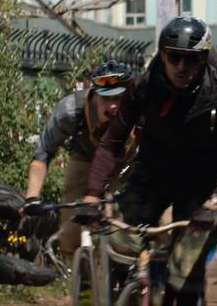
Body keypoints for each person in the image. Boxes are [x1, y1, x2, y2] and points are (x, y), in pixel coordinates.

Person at [75, 16, 217, 305]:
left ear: (203, 59)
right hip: (151, 177)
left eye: (190, 59)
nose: (181, 67)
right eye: (173, 58)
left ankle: (179, 291)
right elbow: (111, 144)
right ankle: (125, 289)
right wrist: (92, 195)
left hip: (200, 189)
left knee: (183, 279)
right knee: (119, 247)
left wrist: (216, 202)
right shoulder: (142, 87)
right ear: (162, 55)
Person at [19, 60, 133, 255]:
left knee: (126, 228)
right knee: (71, 227)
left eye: (119, 98)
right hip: (86, 157)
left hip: (127, 162)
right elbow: (43, 153)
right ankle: (83, 278)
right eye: (106, 99)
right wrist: (32, 198)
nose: (113, 106)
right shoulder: (70, 111)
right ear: (94, 94)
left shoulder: (140, 109)